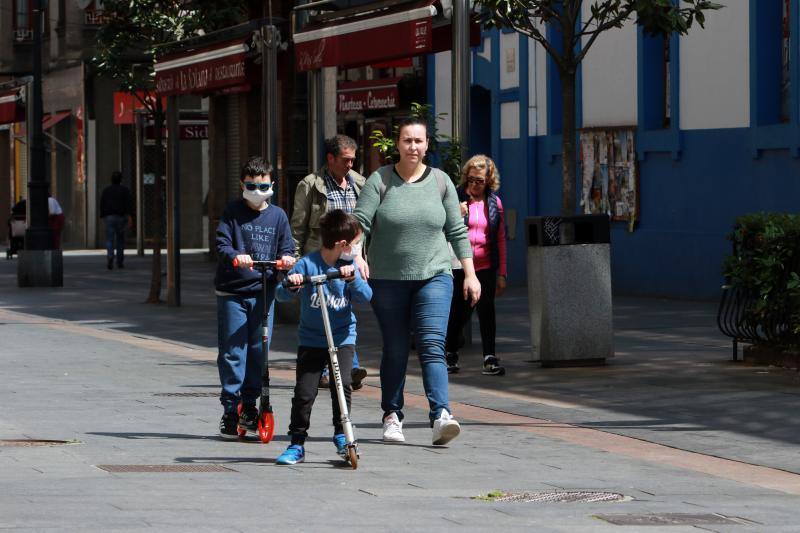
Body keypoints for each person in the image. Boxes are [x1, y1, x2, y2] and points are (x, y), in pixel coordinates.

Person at [353, 117, 481, 446]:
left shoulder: (440, 182)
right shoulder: (379, 181)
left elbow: (456, 230)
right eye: (407, 140)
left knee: (432, 345)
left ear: (427, 146)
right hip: (387, 279)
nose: (413, 146)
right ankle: (392, 416)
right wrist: (356, 255)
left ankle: (441, 415)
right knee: (395, 348)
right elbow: (361, 222)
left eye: (419, 141)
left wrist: (470, 273)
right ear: (397, 144)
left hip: (435, 275)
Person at [274, 210, 372, 465]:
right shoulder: (308, 264)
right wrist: (292, 283)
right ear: (342, 244)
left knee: (343, 387)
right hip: (311, 339)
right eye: (354, 244)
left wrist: (353, 281)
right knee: (304, 393)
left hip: (342, 337)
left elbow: (366, 296)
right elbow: (281, 294)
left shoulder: (349, 267)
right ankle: (296, 443)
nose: (356, 249)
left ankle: (342, 434)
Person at [214, 156, 296, 439]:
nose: (257, 191)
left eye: (262, 186)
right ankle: (231, 407)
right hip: (233, 292)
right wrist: (237, 257)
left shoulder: (278, 216)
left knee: (259, 350)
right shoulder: (232, 212)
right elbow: (222, 243)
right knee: (234, 350)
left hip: (263, 291)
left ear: (271, 185)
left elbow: (287, 247)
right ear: (242, 184)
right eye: (251, 186)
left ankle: (250, 404)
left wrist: (286, 260)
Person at [291, 134, 369, 391]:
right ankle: (334, 369)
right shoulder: (310, 185)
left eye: (353, 160)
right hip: (321, 259)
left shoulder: (359, 183)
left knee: (344, 312)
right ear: (330, 158)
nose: (350, 165)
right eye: (345, 160)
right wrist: (296, 262)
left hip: (350, 258)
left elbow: (365, 224)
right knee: (322, 312)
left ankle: (347, 367)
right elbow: (298, 228)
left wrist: (361, 257)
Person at [445, 155, 508, 376]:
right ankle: (450, 353)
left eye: (479, 181)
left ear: (489, 181)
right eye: (470, 179)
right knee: (459, 313)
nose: (474, 185)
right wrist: (455, 213)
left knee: (486, 311)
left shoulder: (494, 203)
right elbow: (440, 227)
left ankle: (489, 357)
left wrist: (502, 273)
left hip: (485, 266)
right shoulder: (456, 198)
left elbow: (500, 238)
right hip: (460, 266)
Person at [99, 171, 133, 269]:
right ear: (121, 180)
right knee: (120, 239)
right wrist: (129, 216)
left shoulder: (106, 190)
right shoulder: (125, 190)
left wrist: (103, 216)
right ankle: (119, 260)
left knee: (109, 239)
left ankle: (110, 256)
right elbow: (128, 204)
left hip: (109, 217)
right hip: (121, 216)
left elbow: (102, 203)